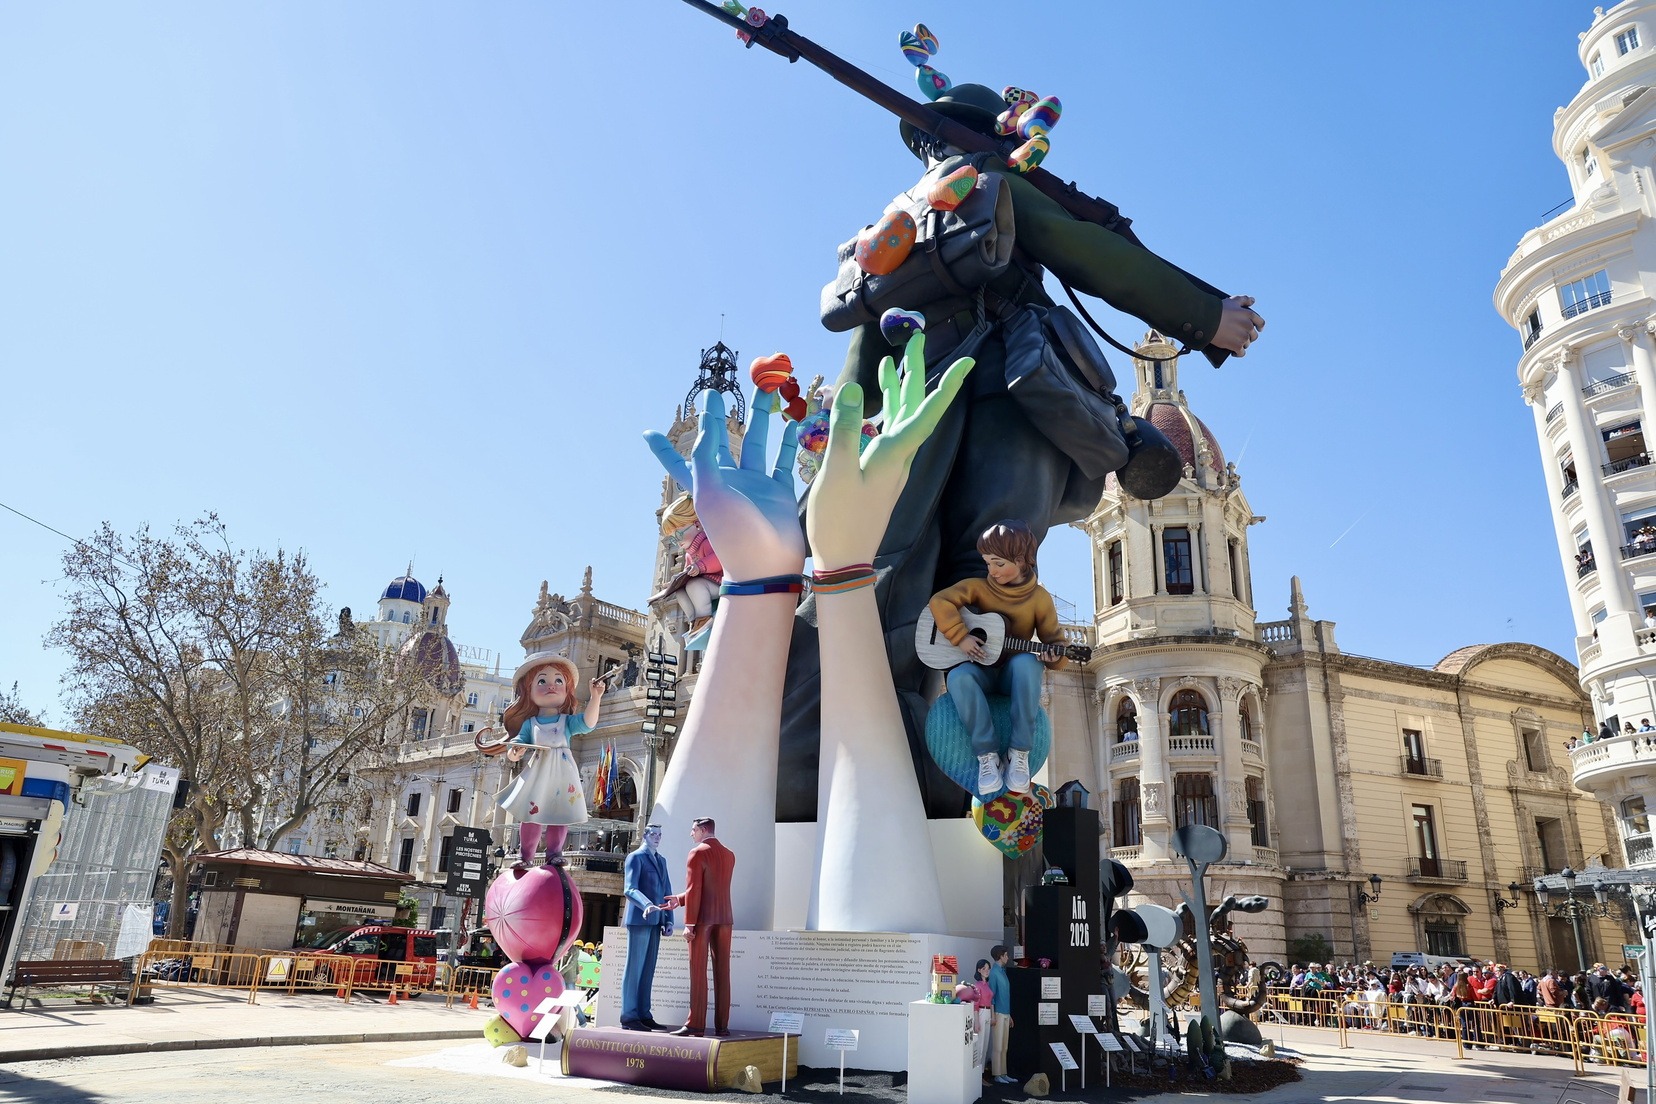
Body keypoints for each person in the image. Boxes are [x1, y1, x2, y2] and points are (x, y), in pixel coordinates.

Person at [772, 80, 1266, 822]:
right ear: (994, 133)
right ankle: (977, 807)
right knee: (990, 597)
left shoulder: (899, 225)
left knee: (886, 592)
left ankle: (824, 786)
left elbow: (859, 374)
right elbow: (1093, 256)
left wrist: (838, 458)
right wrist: (1205, 316)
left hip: (914, 425)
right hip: (1013, 409)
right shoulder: (991, 184)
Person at [928, 519, 1065, 796]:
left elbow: (1055, 642)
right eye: (987, 563)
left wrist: (1054, 656)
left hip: (1010, 677)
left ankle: (1019, 752)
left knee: (1028, 663)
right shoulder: (978, 588)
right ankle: (987, 756)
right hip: (980, 672)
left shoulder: (1039, 599)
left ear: (1021, 560)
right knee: (958, 676)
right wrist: (960, 636)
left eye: (998, 563)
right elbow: (939, 602)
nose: (992, 570)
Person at [493, 654, 605, 867]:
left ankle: (554, 854)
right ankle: (525, 856)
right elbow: (516, 745)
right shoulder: (530, 723)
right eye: (542, 681)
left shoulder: (567, 721)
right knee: (531, 815)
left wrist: (596, 697)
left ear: (567, 690)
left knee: (560, 815)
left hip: (563, 774)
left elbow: (588, 723)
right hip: (538, 773)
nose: (551, 686)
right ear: (528, 691)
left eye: (559, 681)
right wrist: (514, 752)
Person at [664, 817, 736, 1037]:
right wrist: (679, 899)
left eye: (693, 829)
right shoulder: (729, 854)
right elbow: (711, 888)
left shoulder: (697, 853)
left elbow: (695, 889)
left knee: (698, 971)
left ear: (703, 830)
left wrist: (689, 924)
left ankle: (695, 1024)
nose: (691, 833)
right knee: (723, 972)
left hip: (703, 919)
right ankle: (722, 1026)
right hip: (725, 917)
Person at [649, 493, 724, 648]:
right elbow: (686, 572)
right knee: (681, 590)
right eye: (673, 538)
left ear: (697, 524)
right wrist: (675, 582)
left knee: (694, 585)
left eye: (678, 534)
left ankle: (704, 617)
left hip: (719, 583)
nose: (677, 541)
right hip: (706, 587)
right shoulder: (690, 554)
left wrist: (700, 566)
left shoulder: (706, 543)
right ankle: (694, 620)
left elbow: (718, 558)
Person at [619, 824, 674, 1031]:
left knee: (648, 969)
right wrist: (646, 904)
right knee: (634, 968)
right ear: (645, 835)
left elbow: (667, 892)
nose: (657, 838)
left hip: (657, 920)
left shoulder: (662, 860)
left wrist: (668, 920)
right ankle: (629, 1015)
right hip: (640, 919)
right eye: (653, 834)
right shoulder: (635, 857)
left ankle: (644, 1013)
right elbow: (630, 888)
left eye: (660, 835)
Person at [987, 945, 1014, 1084]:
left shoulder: (1002, 971)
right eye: (1006, 955)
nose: (1007, 957)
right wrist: (992, 1015)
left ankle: (1003, 1072)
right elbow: (991, 996)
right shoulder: (994, 973)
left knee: (1004, 1046)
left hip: (1005, 1012)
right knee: (997, 1045)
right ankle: (997, 1074)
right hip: (997, 1013)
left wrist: (1009, 1015)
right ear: (1000, 956)